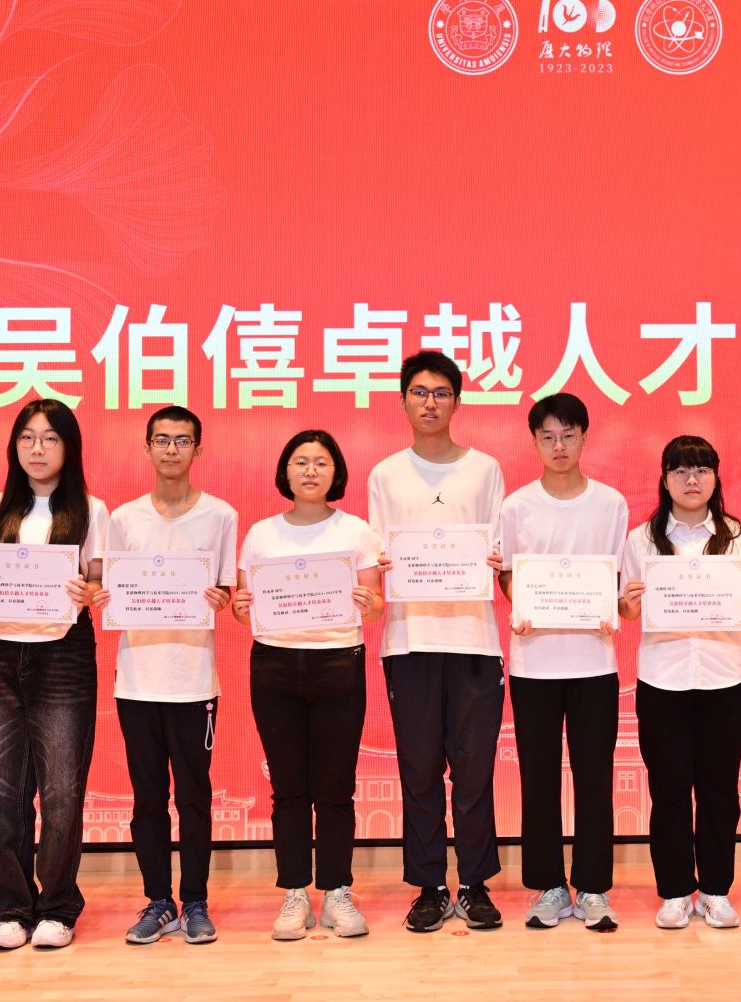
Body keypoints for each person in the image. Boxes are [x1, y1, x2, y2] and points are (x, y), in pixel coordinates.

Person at [0, 398, 108, 951]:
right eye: (27, 437)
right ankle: (12, 909)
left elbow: (99, 582)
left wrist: (89, 591)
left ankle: (59, 907)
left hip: (63, 653)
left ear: (70, 447)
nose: (37, 449)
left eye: (50, 438)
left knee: (63, 790)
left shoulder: (93, 509)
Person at [366, 350, 508, 933]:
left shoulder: (486, 469)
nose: (430, 403)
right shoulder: (385, 474)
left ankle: (474, 883)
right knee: (419, 769)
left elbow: (499, 551)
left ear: (457, 402)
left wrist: (498, 565)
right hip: (409, 640)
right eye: (420, 393)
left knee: (473, 771)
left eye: (441, 393)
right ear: (403, 401)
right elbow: (377, 555)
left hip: (475, 639)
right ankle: (428, 885)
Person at [232, 429, 386, 940]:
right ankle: (295, 892)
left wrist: (370, 603)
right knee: (289, 787)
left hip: (338, 662)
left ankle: (338, 891)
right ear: (286, 472)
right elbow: (245, 607)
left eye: (321, 462)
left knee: (336, 787)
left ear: (336, 472)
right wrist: (240, 607)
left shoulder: (357, 531)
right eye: (301, 462)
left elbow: (376, 603)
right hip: (274, 665)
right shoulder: (261, 534)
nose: (311, 471)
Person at [618, 435, 741, 930]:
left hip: (725, 677)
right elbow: (626, 610)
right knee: (669, 791)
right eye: (680, 470)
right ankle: (676, 891)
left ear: (716, 477)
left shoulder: (738, 536)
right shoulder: (641, 539)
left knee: (720, 790)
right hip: (663, 679)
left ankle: (717, 891)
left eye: (701, 470)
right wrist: (628, 604)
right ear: (664, 479)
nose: (691, 479)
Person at [496, 393, 628, 933]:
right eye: (547, 437)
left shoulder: (610, 503)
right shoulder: (516, 506)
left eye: (568, 436)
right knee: (539, 777)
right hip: (534, 663)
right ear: (534, 441)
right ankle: (549, 885)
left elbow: (615, 576)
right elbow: (508, 574)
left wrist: (609, 608)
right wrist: (519, 605)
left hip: (594, 660)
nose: (558, 446)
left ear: (584, 439)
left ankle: (593, 886)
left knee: (595, 776)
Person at [109, 406, 238, 947]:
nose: (170, 449)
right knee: (147, 799)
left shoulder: (221, 516)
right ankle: (159, 901)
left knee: (193, 798)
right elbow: (112, 587)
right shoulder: (123, 519)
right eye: (161, 440)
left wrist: (220, 597)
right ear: (147, 448)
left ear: (197, 450)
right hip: (137, 681)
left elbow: (226, 588)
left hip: (192, 681)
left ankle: (196, 901)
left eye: (182, 441)